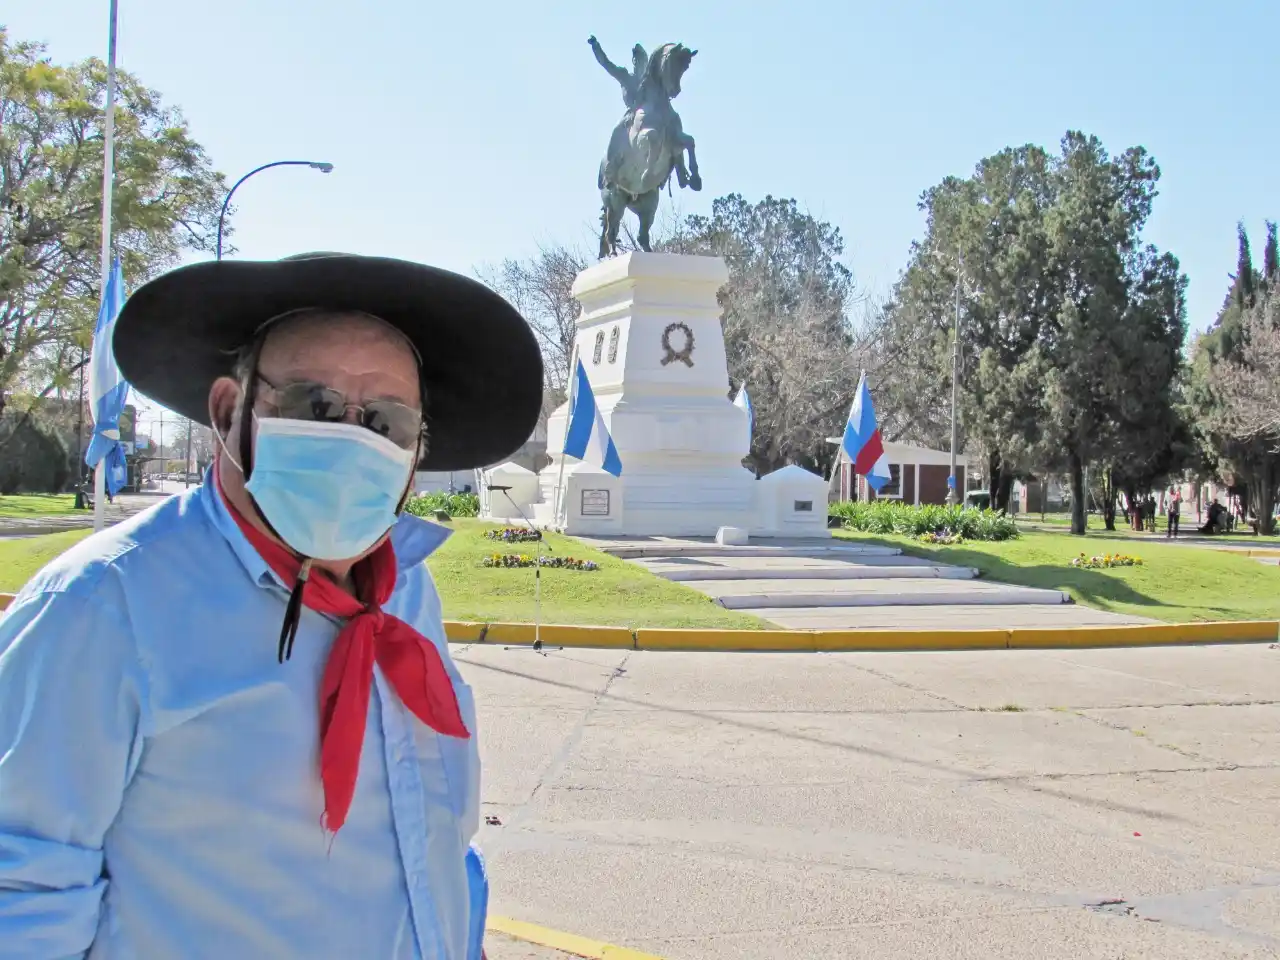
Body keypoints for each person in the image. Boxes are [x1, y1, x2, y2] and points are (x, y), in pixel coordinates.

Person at [0, 253, 542, 958]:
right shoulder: (105, 605)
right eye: (315, 406)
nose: (354, 438)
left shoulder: (405, 590)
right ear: (230, 410)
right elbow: (22, 894)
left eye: (386, 421)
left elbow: (429, 845)